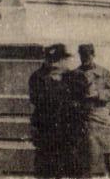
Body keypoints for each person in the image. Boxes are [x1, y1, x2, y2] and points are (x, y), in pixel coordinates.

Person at [67, 44, 110, 178]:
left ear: (93, 54)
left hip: (102, 116)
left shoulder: (104, 72)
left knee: (109, 152)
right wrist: (78, 103)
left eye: (87, 55)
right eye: (82, 55)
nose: (85, 58)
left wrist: (98, 94)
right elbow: (69, 97)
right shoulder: (74, 75)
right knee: (89, 155)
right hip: (86, 117)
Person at [28, 44, 76, 178]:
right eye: (51, 60)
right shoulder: (37, 77)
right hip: (45, 125)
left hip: (65, 126)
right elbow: (37, 100)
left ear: (63, 60)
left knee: (64, 164)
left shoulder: (71, 77)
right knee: (44, 164)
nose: (54, 63)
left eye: (58, 59)